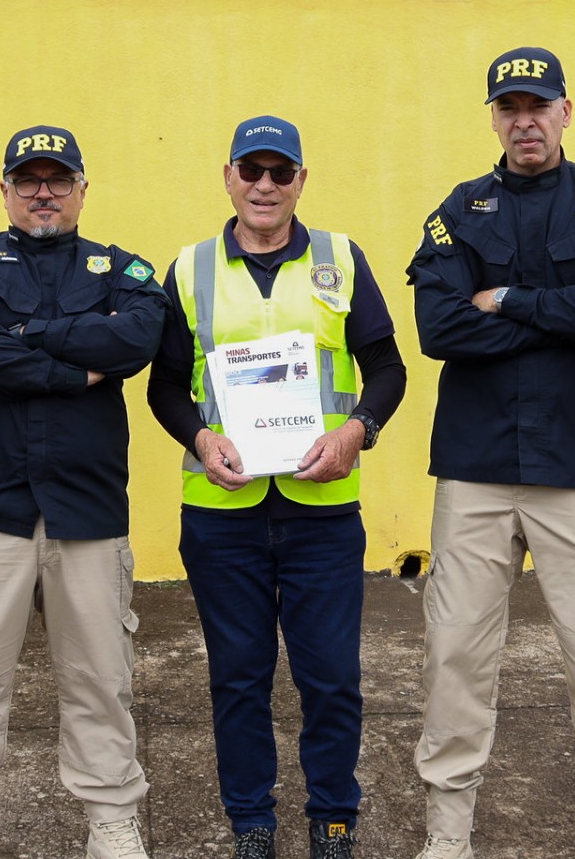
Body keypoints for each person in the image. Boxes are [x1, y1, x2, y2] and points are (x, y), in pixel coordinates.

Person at [407, 47, 575, 859]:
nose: (525, 119)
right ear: (493, 114)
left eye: (538, 104)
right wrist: (567, 303)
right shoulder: (459, 209)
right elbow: (439, 327)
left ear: (565, 110)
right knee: (455, 653)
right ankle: (448, 834)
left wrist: (508, 296)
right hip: (477, 468)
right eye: (509, 105)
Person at [146, 115, 408, 859]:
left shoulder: (341, 257)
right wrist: (199, 436)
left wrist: (358, 429)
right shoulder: (191, 267)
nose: (265, 185)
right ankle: (251, 821)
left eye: (280, 172)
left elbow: (387, 369)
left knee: (330, 675)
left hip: (322, 510)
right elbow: (165, 385)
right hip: (220, 510)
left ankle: (333, 817)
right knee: (238, 677)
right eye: (251, 170)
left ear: (300, 180)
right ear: (227, 175)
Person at [0, 126, 167, 859]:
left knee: (100, 679)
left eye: (59, 179)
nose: (43, 192)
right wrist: (69, 360)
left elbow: (135, 341)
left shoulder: (123, 268)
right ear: (5, 191)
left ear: (84, 189)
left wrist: (19, 332)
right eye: (28, 180)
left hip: (87, 510)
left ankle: (112, 820)